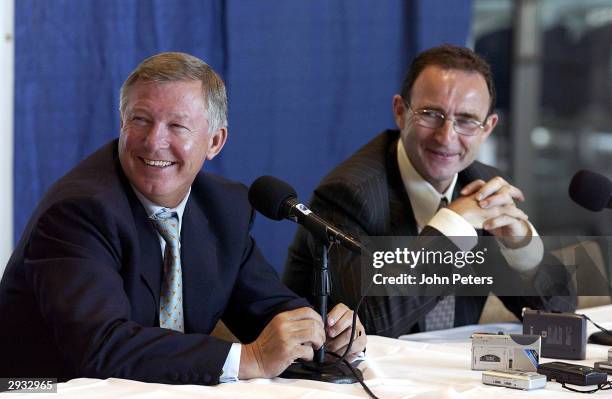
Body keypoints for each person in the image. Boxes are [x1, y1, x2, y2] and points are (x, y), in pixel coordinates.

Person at [0, 52, 365, 384]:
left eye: (177, 126)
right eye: (140, 120)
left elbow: (266, 307)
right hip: (44, 389)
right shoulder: (81, 209)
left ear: (215, 141)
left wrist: (322, 331)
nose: (154, 141)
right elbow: (99, 346)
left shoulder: (224, 207)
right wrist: (249, 358)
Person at [283, 45, 575, 337]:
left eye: (466, 120)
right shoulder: (348, 193)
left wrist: (522, 247)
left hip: (452, 373)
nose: (446, 136)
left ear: (487, 128)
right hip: (348, 377)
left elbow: (560, 316)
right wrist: (452, 226)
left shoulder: (484, 188)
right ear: (400, 112)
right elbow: (371, 323)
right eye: (431, 114)